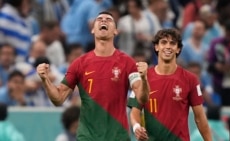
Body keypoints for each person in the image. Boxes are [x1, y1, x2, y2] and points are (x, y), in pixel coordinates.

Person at [36, 11, 149, 140]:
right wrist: (45, 80)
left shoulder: (127, 63)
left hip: (118, 137)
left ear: (115, 31)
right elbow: (58, 99)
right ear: (93, 30)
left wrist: (144, 79)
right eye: (99, 19)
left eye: (109, 19)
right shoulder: (79, 64)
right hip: (88, 137)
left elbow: (141, 97)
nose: (104, 21)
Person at [128, 28, 212, 141]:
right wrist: (136, 127)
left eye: (172, 43)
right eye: (163, 42)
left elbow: (200, 118)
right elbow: (134, 112)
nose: (168, 46)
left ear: (178, 49)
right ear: (156, 47)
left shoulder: (190, 79)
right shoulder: (143, 77)